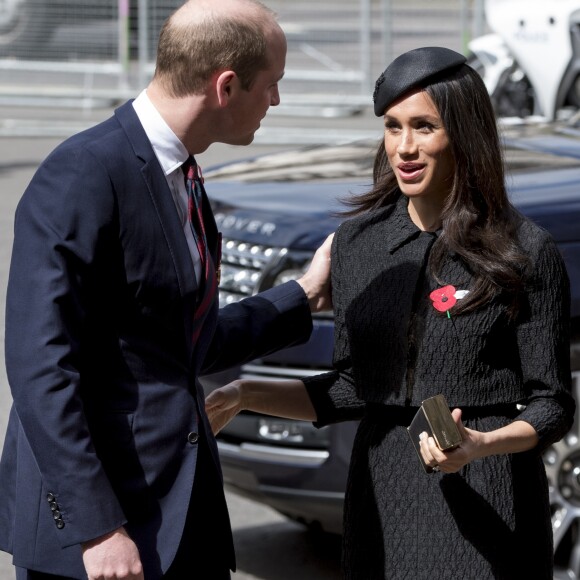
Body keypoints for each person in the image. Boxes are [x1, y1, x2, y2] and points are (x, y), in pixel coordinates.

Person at [205, 46, 576, 579]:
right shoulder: (359, 244)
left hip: (490, 493)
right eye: (393, 127)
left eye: (424, 127)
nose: (405, 147)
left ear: (463, 134)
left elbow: (551, 404)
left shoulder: (524, 250)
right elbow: (354, 388)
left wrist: (482, 445)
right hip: (383, 492)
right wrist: (243, 395)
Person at [0, 1, 333, 579]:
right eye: (272, 86)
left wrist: (301, 296)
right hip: (103, 540)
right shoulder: (85, 172)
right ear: (226, 86)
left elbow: (181, 342)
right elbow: (40, 367)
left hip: (179, 519)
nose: (276, 102)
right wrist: (98, 527)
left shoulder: (182, 170)